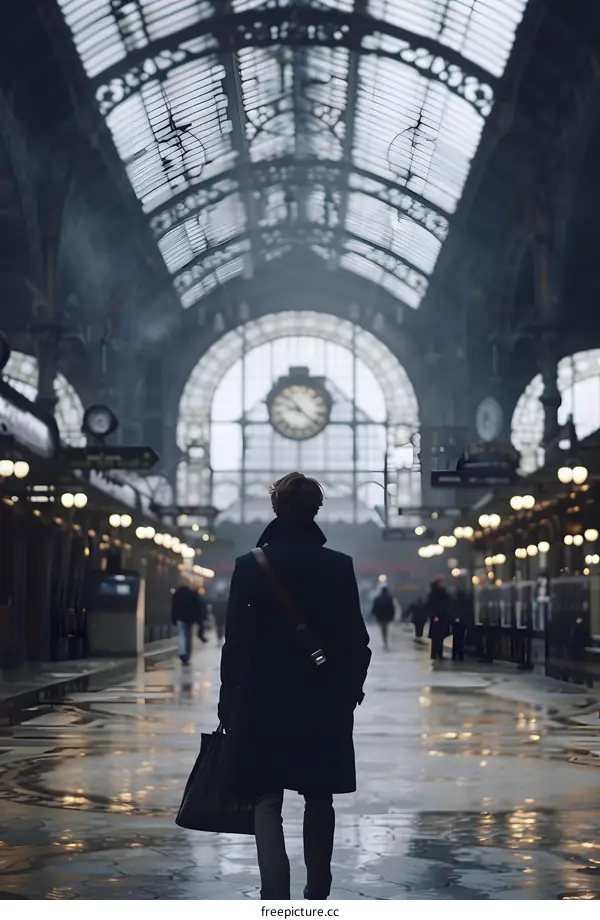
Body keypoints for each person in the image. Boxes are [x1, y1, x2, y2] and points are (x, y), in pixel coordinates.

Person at [218, 472, 371, 901]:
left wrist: (228, 703)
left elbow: (234, 643)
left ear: (275, 508)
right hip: (322, 702)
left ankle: (275, 894)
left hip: (259, 701)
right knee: (319, 796)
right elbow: (357, 641)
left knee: (265, 797)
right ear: (316, 510)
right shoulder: (338, 565)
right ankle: (318, 887)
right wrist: (349, 693)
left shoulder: (250, 566)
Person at [171, 581, 208, 665]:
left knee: (182, 636)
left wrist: (174, 619)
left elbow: (174, 607)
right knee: (188, 637)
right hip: (190, 619)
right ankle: (187, 654)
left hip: (180, 618)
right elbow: (198, 606)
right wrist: (198, 620)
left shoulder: (177, 594)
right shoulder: (193, 594)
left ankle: (182, 653)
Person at [427, 579, 451, 660]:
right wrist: (434, 616)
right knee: (437, 637)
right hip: (439, 618)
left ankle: (437, 653)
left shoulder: (441, 594)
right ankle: (436, 653)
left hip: (442, 618)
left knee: (439, 637)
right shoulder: (436, 595)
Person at [371, 585, 395, 650]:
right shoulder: (390, 598)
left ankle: (384, 639)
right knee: (385, 627)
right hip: (387, 616)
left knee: (382, 628)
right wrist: (392, 616)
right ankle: (385, 640)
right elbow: (392, 608)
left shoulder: (377, 598)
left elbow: (374, 607)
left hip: (380, 616)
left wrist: (372, 614)